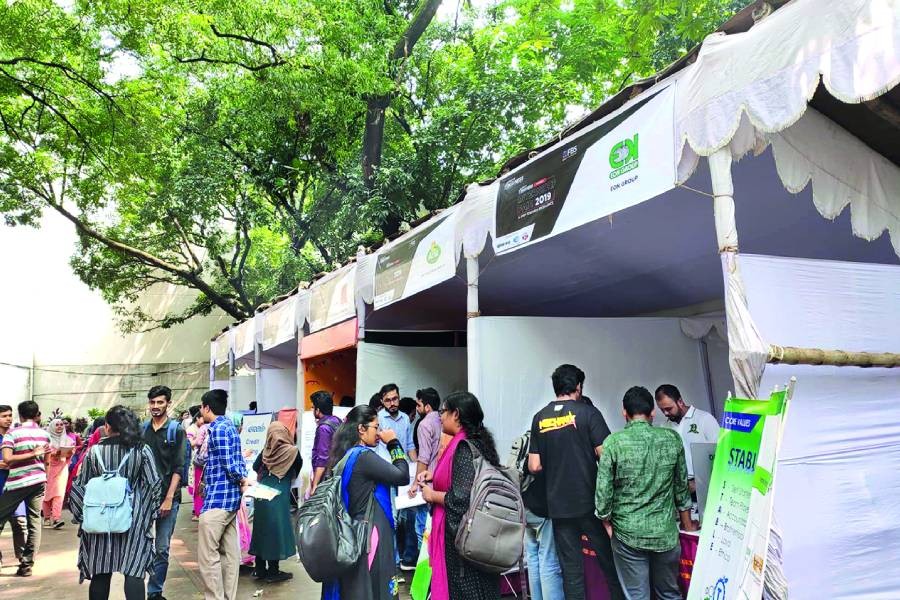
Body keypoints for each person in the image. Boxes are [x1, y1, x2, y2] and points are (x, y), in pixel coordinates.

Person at [528, 365, 624, 600]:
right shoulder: (588, 413)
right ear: (578, 386)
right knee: (609, 563)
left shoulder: (539, 417)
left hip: (558, 506)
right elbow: (607, 455)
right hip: (589, 502)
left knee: (571, 571)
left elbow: (534, 465)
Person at [596, 387, 694, 600]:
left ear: (624, 412)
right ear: (652, 412)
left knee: (637, 596)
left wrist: (606, 523)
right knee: (669, 593)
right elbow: (681, 488)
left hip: (627, 534)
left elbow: (603, 494)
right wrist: (687, 526)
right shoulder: (672, 439)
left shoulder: (613, 443)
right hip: (665, 534)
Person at [70, 405, 161, 599]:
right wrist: (148, 516)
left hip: (99, 519)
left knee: (101, 573)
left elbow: (79, 487)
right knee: (134, 572)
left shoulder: (94, 452)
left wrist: (82, 517)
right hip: (133, 520)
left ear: (107, 427)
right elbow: (154, 485)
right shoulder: (142, 450)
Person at [321, 405, 409, 600]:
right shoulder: (363, 457)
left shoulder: (346, 456)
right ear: (361, 429)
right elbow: (402, 476)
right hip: (372, 533)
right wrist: (394, 442)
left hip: (357, 532)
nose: (378, 433)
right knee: (378, 587)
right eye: (375, 427)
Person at [420, 391, 501, 600]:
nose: (440, 416)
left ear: (456, 414)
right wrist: (435, 476)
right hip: (476, 532)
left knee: (463, 589)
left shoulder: (463, 447)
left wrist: (431, 494)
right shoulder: (474, 442)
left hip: (462, 535)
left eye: (443, 412)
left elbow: (460, 499)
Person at [198, 389, 248, 600]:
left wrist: (242, 479)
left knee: (208, 556)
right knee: (230, 554)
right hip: (229, 500)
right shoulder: (229, 426)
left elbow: (229, 463)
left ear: (208, 408)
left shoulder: (218, 429)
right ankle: (229, 596)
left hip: (219, 500)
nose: (200, 411)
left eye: (201, 407)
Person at [142, 385, 189, 600]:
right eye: (152, 402)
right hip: (143, 498)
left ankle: (154, 592)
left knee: (161, 548)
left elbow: (180, 467)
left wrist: (169, 498)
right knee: (140, 546)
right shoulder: (142, 429)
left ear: (168, 403)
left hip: (167, 498)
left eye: (160, 402)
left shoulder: (176, 430)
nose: (155, 406)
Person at [0, 400, 51, 577]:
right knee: (34, 522)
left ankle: (24, 562)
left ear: (19, 415)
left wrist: (29, 454)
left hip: (18, 483)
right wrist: (45, 476)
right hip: (38, 481)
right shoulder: (45, 435)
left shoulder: (12, 434)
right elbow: (47, 461)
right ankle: (27, 564)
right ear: (37, 414)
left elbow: (7, 459)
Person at [249, 422, 302, 583]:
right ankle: (273, 571)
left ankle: (259, 569)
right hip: (278, 494)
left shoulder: (266, 450)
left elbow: (255, 466)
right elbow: (297, 468)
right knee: (275, 532)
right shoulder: (292, 452)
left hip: (261, 493)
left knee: (260, 530)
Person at [401, 387, 441, 571]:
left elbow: (423, 457)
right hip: (440, 479)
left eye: (418, 404)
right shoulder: (443, 421)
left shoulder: (424, 424)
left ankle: (426, 571)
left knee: (422, 529)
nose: (416, 408)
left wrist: (416, 483)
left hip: (428, 482)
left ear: (427, 406)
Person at [654, 384, 720, 488]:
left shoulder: (704, 419)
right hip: (680, 488)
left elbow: (720, 454)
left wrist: (698, 482)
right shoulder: (664, 427)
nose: (665, 413)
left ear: (680, 402)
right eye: (662, 410)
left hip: (707, 484)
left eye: (669, 408)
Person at [0, 404, 26, 569]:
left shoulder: (16, 437)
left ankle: (23, 559)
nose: (8, 419)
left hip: (16, 487)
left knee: (20, 523)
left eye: (10, 415)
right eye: (4, 416)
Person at [42, 418, 76, 528]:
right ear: (52, 426)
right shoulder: (46, 440)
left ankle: (56, 518)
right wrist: (53, 453)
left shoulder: (68, 440)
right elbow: (43, 454)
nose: (60, 426)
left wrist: (70, 452)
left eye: (61, 424)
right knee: (47, 494)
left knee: (59, 494)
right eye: (57, 425)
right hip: (49, 469)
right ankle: (47, 517)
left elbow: (69, 457)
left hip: (62, 469)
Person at [310, 391, 342, 495]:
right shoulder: (337, 421)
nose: (312, 410)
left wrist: (315, 485)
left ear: (318, 410)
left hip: (327, 478)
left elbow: (322, 459)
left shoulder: (324, 428)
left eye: (313, 407)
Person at [188, 406, 209, 520]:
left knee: (199, 486)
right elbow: (191, 443)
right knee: (198, 487)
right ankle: (198, 511)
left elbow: (199, 442)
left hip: (200, 462)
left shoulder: (203, 428)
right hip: (199, 462)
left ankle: (199, 510)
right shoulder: (193, 429)